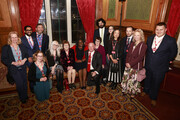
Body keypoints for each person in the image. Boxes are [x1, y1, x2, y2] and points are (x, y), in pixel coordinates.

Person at [142, 22, 178, 107]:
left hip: (160, 67)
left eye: (161, 29)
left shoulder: (171, 40)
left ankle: (153, 97)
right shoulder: (150, 38)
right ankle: (145, 91)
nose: (158, 31)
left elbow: (173, 53)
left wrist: (167, 60)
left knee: (156, 83)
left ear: (165, 30)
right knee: (147, 79)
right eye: (157, 29)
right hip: (149, 64)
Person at [1, 31, 29, 103]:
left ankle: (25, 95)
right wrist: (13, 63)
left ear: (18, 38)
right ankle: (22, 97)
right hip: (14, 68)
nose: (14, 39)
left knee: (24, 82)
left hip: (22, 67)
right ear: (10, 38)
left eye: (15, 37)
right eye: (12, 37)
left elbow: (26, 55)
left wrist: (24, 60)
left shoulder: (22, 46)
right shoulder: (6, 47)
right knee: (19, 84)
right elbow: (3, 59)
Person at [121, 29, 147, 98]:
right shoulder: (132, 43)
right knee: (127, 79)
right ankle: (125, 90)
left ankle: (132, 92)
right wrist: (126, 62)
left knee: (133, 80)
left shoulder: (143, 45)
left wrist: (131, 64)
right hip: (128, 65)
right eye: (135, 35)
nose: (136, 37)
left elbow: (140, 57)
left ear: (141, 36)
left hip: (135, 66)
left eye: (138, 35)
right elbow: (128, 54)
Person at [21, 25, 38, 93]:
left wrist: (36, 55)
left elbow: (36, 47)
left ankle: (37, 85)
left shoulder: (34, 38)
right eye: (27, 30)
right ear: (24, 31)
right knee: (32, 73)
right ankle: (32, 88)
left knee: (37, 72)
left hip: (35, 58)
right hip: (28, 59)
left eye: (30, 30)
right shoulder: (22, 39)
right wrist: (27, 57)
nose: (29, 31)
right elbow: (22, 51)